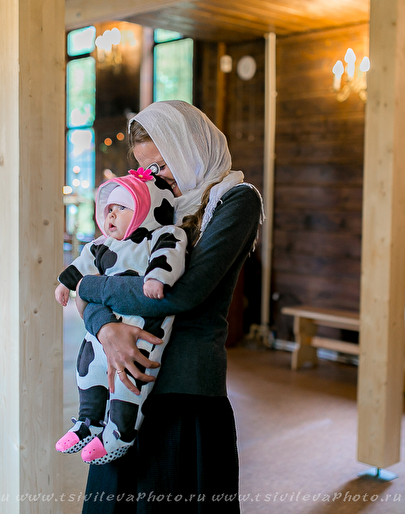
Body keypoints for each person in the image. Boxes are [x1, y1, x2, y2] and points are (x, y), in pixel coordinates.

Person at [74, 100, 263, 513]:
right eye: (147, 169)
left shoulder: (236, 200)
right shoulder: (146, 202)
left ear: (188, 147)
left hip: (184, 391)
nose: (155, 177)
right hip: (126, 384)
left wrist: (89, 287)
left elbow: (183, 293)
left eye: (161, 165)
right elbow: (101, 266)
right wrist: (105, 330)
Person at [55, 170, 190, 465]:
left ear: (146, 209)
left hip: (142, 327)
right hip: (104, 325)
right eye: (109, 209)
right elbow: (83, 263)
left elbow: (168, 256)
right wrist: (66, 283)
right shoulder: (103, 243)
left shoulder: (164, 235)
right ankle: (88, 421)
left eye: (122, 207)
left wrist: (156, 278)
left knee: (127, 380)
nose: (111, 215)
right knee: (88, 368)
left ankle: (120, 433)